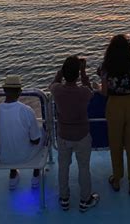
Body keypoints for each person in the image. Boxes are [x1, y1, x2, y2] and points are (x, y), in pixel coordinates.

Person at [99, 33, 130, 195]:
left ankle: (116, 178)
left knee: (115, 144)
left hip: (114, 104)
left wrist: (95, 86)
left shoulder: (106, 67)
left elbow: (105, 92)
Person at [50, 55, 99, 212]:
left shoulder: (57, 90)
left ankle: (64, 198)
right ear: (77, 74)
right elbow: (90, 90)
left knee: (63, 167)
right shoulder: (83, 93)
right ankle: (85, 200)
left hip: (64, 135)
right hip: (82, 135)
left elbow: (53, 84)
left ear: (64, 73)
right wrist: (84, 73)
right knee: (84, 168)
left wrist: (60, 73)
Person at [0, 74, 43, 190]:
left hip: (4, 157)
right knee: (43, 134)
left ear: (5, 90)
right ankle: (36, 175)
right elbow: (36, 140)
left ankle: (13, 175)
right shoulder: (26, 110)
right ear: (20, 91)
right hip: (24, 157)